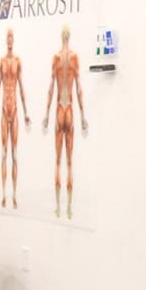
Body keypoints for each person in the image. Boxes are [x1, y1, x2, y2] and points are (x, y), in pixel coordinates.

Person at [42, 23, 89, 219]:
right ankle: (68, 207)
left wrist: (46, 114)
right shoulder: (74, 58)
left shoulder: (56, 58)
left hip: (59, 110)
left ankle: (59, 208)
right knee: (69, 162)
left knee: (58, 160)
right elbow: (78, 88)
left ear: (62, 35)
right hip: (69, 108)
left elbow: (52, 88)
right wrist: (82, 114)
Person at [0, 27, 31, 209]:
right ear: (6, 40)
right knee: (4, 153)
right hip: (4, 110)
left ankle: (14, 194)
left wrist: (26, 112)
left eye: (12, 37)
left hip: (14, 107)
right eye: (7, 37)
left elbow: (21, 86)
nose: (9, 40)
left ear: (14, 40)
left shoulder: (17, 62)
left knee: (14, 154)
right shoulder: (2, 62)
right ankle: (4, 195)